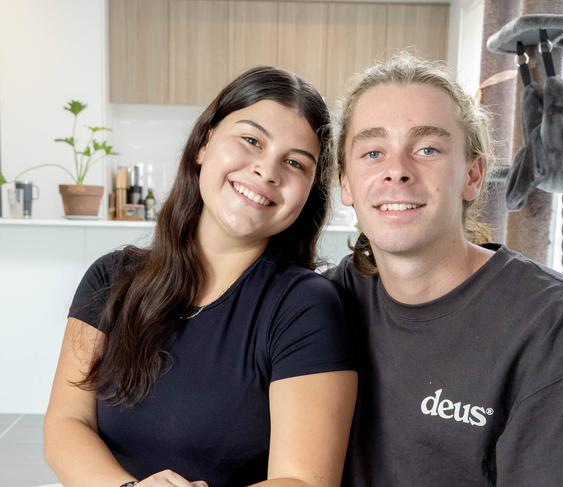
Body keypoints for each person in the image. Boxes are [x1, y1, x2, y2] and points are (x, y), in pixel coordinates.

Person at [327, 53, 563, 486]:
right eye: (373, 152)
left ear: (472, 175)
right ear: (345, 182)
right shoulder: (324, 303)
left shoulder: (548, 321)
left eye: (427, 149)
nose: (396, 170)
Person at [44, 66, 357, 487]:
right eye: (251, 140)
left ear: (308, 193)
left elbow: (304, 480)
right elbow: (66, 422)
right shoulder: (110, 278)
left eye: (295, 163)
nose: (267, 171)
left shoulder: (304, 306)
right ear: (204, 143)